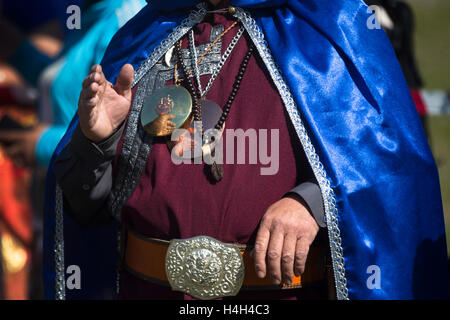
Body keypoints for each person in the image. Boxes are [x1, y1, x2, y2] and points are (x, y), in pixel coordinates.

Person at [47, 0, 448, 300]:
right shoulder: (147, 32)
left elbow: (390, 170)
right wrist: (99, 143)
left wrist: (314, 201)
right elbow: (88, 209)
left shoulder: (331, 26)